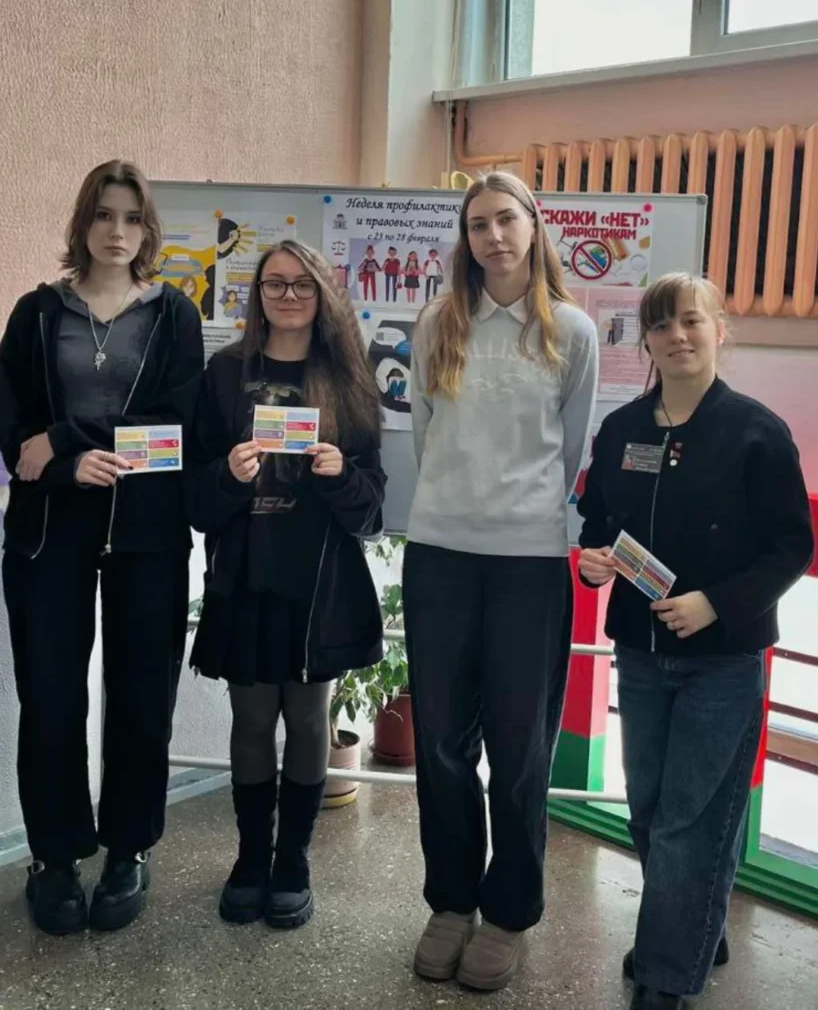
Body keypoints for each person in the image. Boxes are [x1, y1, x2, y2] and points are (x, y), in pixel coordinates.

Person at [576, 274, 813, 1010]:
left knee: (689, 820)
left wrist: (717, 604)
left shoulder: (756, 432)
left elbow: (792, 547)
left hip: (723, 660)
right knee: (649, 811)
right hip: (641, 653)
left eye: (690, 321)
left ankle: (667, 975)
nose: (676, 336)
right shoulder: (622, 430)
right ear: (645, 340)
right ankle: (698, 926)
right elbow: (597, 524)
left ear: (718, 330)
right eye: (661, 325)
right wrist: (591, 563)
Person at [404, 171, 599, 990]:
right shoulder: (437, 323)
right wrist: (461, 507)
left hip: (529, 563)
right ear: (466, 238)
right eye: (477, 224)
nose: (493, 236)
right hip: (441, 553)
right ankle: (451, 902)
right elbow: (423, 433)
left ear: (533, 226)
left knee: (520, 749)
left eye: (505, 220)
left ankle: (510, 910)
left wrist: (516, 512)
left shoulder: (572, 331)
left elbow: (572, 447)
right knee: (441, 743)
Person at [0, 160, 204, 935]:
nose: (117, 232)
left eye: (132, 218)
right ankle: (53, 857)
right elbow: (12, 428)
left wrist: (68, 439)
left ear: (149, 230)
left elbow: (176, 426)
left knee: (142, 691)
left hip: (146, 526)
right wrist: (60, 460)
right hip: (50, 527)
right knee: (51, 694)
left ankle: (129, 848)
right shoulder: (36, 312)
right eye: (104, 215)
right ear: (83, 222)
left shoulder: (174, 315)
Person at [186, 239, 385, 930]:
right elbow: (195, 497)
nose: (289, 295)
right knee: (249, 721)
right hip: (245, 576)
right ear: (258, 293)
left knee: (305, 721)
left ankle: (293, 860)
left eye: (303, 284)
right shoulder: (225, 372)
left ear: (322, 293)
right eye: (275, 283)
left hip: (319, 583)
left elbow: (372, 510)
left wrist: (340, 475)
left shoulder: (348, 377)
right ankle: (250, 859)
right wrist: (227, 476)